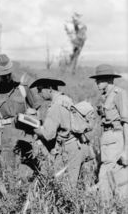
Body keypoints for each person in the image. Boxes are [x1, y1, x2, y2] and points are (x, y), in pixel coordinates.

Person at [30, 75, 93, 188]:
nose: (39, 93)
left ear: (49, 88)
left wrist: (34, 128)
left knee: (65, 186)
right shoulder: (66, 99)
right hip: (77, 145)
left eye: (40, 89)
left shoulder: (55, 106)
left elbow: (48, 135)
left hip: (67, 149)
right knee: (73, 183)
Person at [0, 54, 39, 178]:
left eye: (8, 74)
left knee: (29, 171)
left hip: (25, 135)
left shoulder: (23, 89)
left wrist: (38, 135)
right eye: (3, 75)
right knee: (8, 173)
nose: (6, 77)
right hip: (5, 138)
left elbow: (37, 110)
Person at [89, 64, 128, 201]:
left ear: (109, 79)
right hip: (107, 139)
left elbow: (126, 122)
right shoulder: (105, 96)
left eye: (100, 80)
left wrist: (126, 150)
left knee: (107, 176)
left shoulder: (119, 94)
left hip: (116, 138)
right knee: (107, 176)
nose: (97, 83)